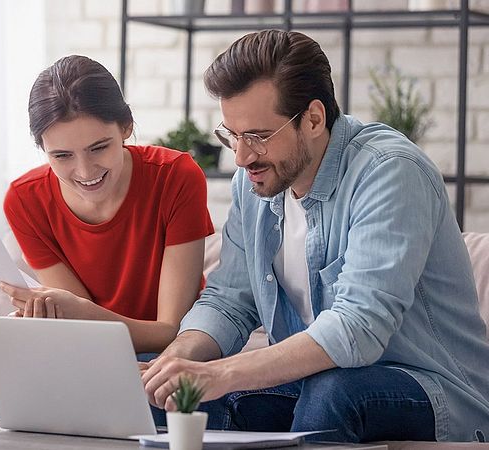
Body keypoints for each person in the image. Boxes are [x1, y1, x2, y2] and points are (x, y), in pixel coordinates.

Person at [141, 30, 489, 443]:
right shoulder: (253, 183)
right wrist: (177, 359)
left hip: (434, 389)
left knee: (335, 394)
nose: (241, 156)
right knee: (159, 388)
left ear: (313, 118)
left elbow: (357, 327)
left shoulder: (390, 172)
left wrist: (222, 373)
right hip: (312, 381)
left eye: (257, 136)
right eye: (232, 135)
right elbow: (229, 300)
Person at [0, 55, 214, 354]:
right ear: (42, 148)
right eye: (62, 156)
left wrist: (78, 316)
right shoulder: (24, 200)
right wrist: (52, 316)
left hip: (172, 357)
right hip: (91, 353)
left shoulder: (175, 177)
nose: (85, 172)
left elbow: (171, 331)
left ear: (126, 126)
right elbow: (81, 326)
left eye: (99, 148)